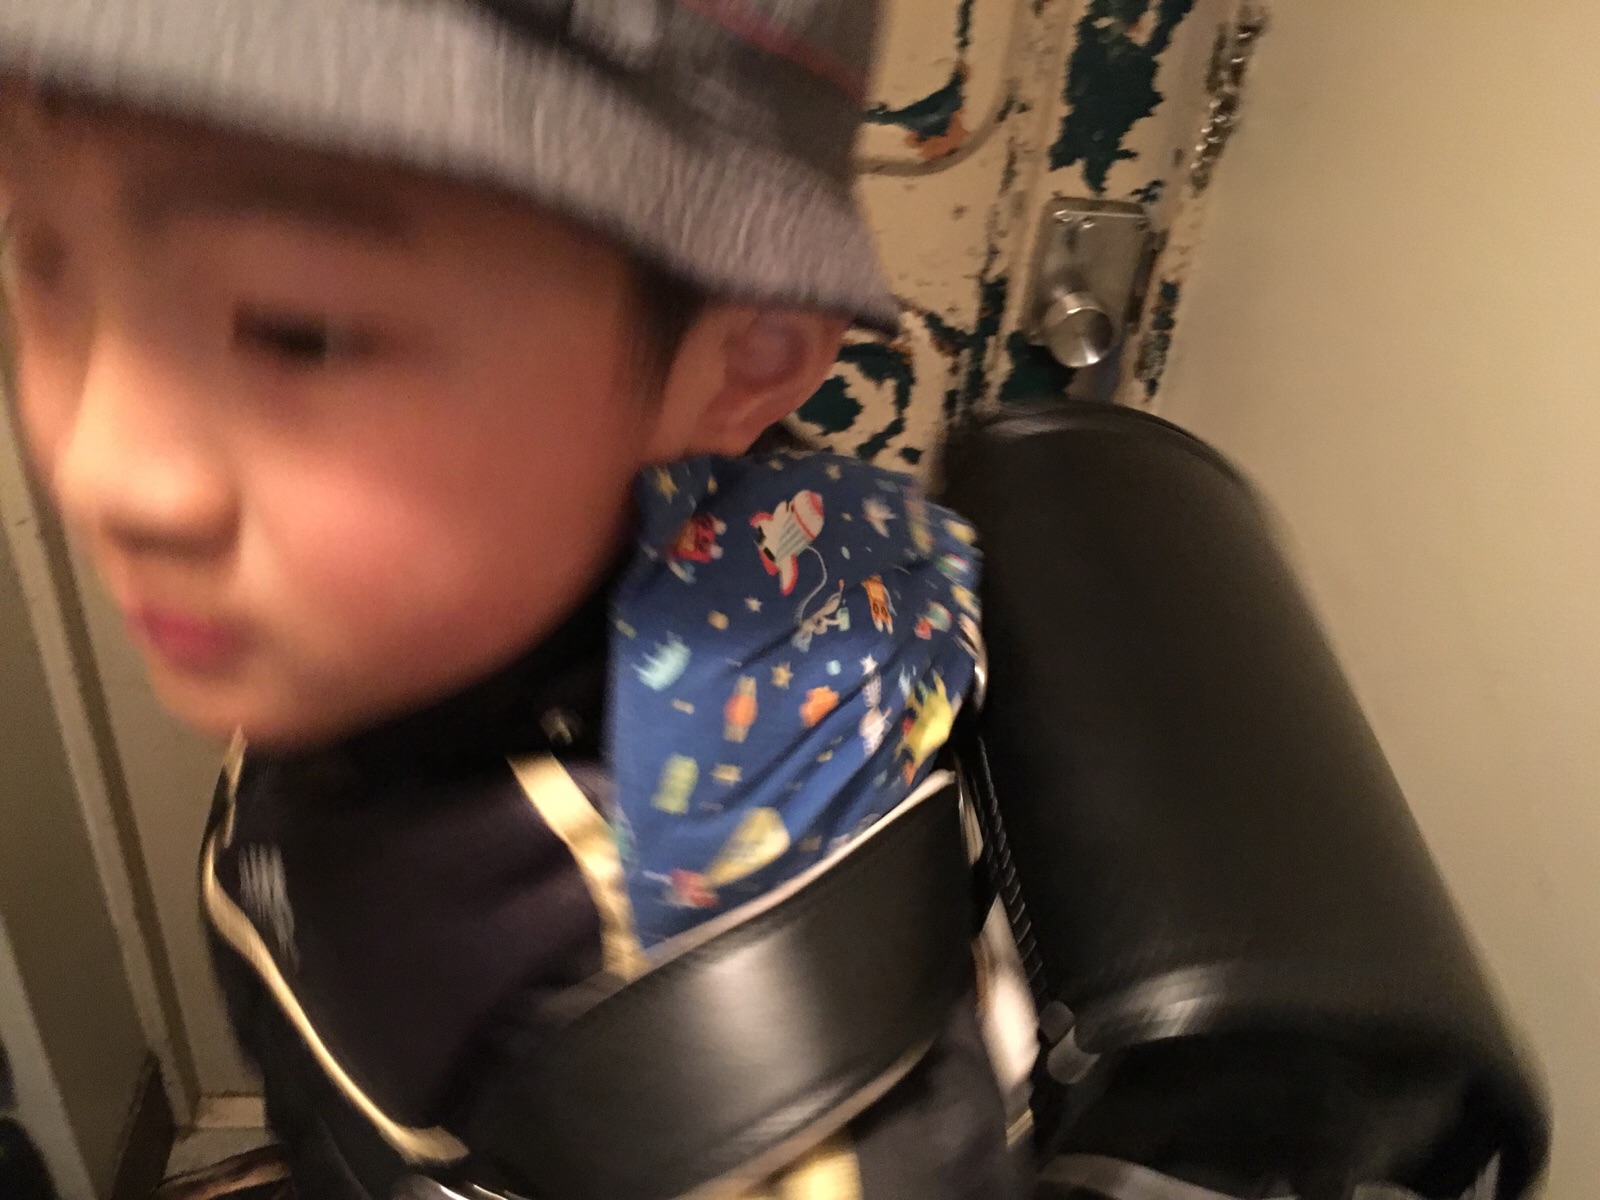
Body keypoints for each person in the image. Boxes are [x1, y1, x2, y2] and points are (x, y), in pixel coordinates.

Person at [0, 2, 1017, 1197]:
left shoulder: (736, 1086)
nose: (102, 471)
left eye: (298, 331)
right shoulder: (394, 634)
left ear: (739, 362)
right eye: (38, 261)